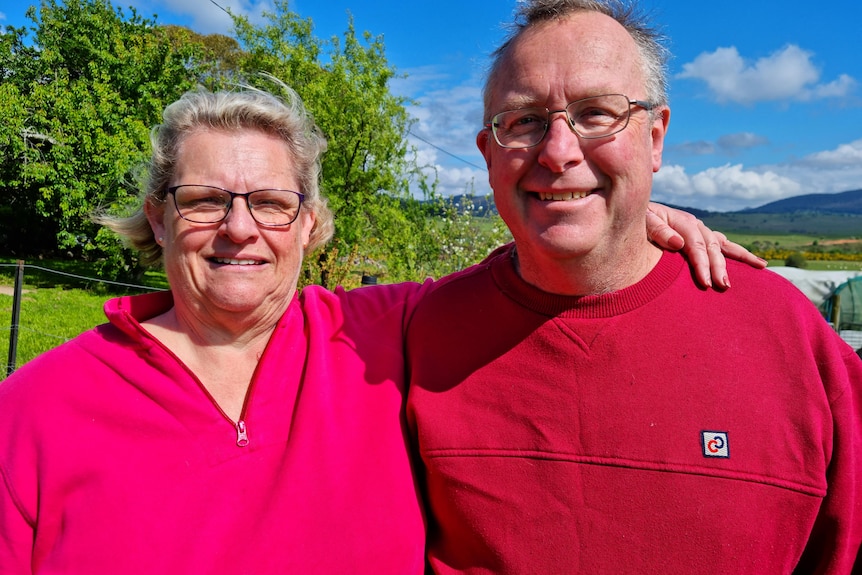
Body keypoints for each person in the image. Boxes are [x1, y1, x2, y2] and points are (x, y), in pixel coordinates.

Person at [0, 78, 757, 572]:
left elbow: (532, 270)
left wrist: (618, 220)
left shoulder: (385, 334)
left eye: (270, 202)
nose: (239, 229)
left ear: (310, 224)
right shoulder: (35, 408)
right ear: (160, 220)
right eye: (204, 200)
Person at [405, 1, 862, 574]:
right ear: (488, 152)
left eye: (597, 113)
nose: (558, 151)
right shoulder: (418, 336)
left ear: (655, 137)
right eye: (523, 120)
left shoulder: (788, 338)